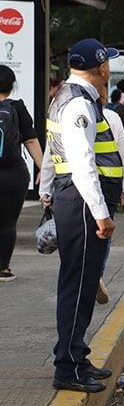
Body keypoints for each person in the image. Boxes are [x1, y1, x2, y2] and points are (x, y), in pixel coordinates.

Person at [45, 38, 124, 393]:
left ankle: (75, 354)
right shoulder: (79, 105)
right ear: (101, 67)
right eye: (108, 63)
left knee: (82, 283)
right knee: (78, 286)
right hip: (80, 202)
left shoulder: (65, 96)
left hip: (71, 200)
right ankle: (68, 368)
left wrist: (46, 189)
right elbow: (82, 165)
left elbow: (51, 152)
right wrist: (101, 213)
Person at [41, 84, 124, 305]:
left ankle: (78, 276)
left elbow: (50, 151)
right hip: (105, 186)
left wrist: (45, 187)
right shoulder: (111, 117)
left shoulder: (62, 109)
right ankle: (95, 274)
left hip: (69, 187)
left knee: (71, 235)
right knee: (102, 234)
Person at [0, 64, 44, 283]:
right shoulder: (16, 107)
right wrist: (44, 170)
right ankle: (3, 269)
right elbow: (31, 140)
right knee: (7, 223)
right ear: (12, 86)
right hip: (13, 175)